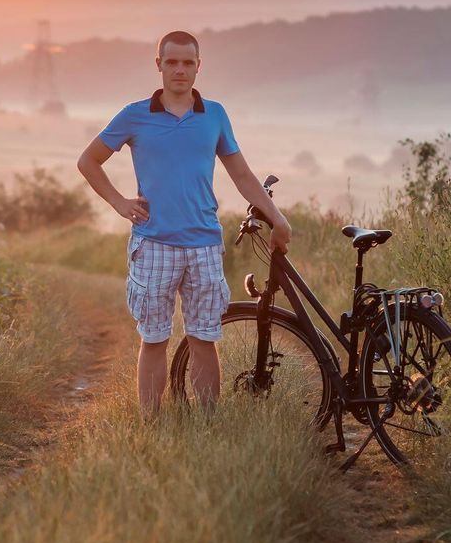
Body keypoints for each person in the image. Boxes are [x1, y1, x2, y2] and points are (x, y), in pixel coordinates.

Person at [76, 30, 292, 417]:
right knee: (155, 339)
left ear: (198, 66)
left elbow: (241, 174)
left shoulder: (215, 115)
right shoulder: (134, 115)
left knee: (204, 338)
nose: (180, 70)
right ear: (158, 65)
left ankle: (208, 425)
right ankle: (151, 426)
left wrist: (277, 217)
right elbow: (88, 161)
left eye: (188, 62)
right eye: (171, 62)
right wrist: (119, 202)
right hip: (154, 243)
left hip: (205, 244)